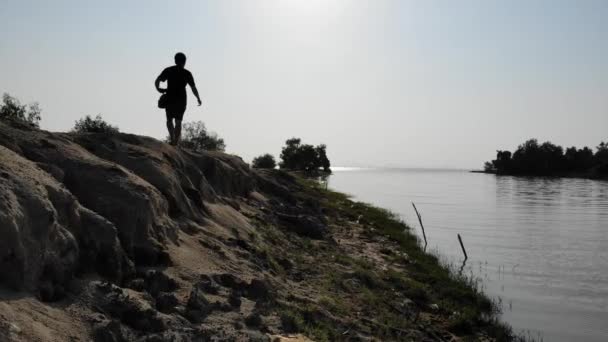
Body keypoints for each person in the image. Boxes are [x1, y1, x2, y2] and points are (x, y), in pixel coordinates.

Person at [155, 52, 202, 145]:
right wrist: (198, 98)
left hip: (170, 97)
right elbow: (193, 88)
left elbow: (157, 80)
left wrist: (158, 89)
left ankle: (172, 139)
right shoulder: (187, 73)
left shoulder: (168, 70)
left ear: (175, 60)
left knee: (169, 120)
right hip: (181, 99)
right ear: (184, 62)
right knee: (178, 121)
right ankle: (175, 142)